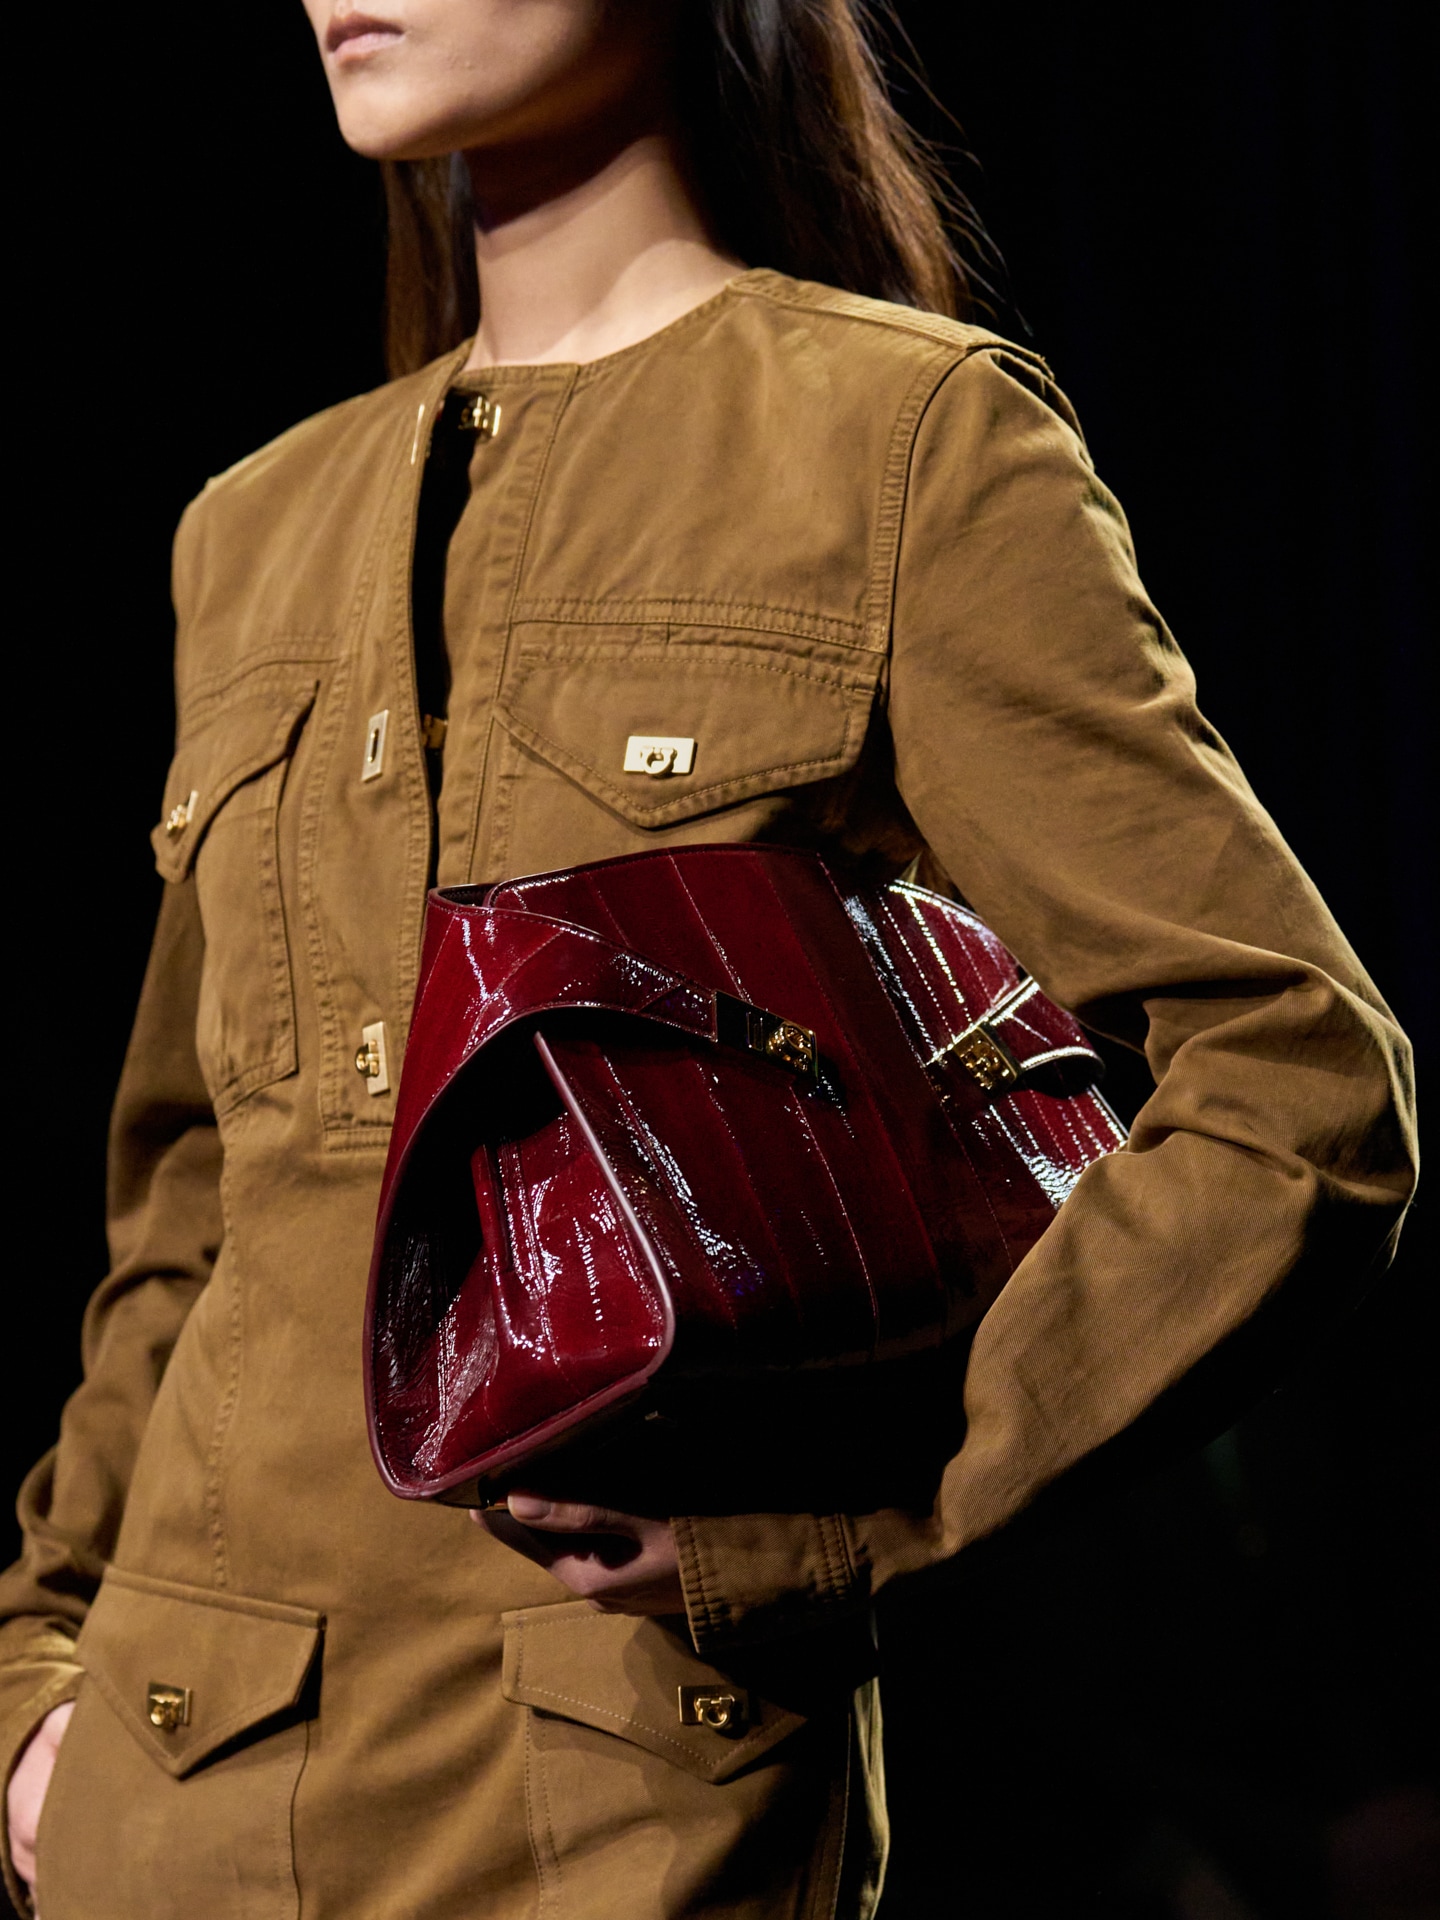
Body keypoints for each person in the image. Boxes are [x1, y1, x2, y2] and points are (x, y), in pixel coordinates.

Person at [1, 2, 1417, 1915]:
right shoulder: (249, 533)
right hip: (166, 1784)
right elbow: (198, 1197)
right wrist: (41, 1667)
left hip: (616, 1802)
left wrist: (864, 1515)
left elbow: (1298, 1085)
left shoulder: (900, 444)